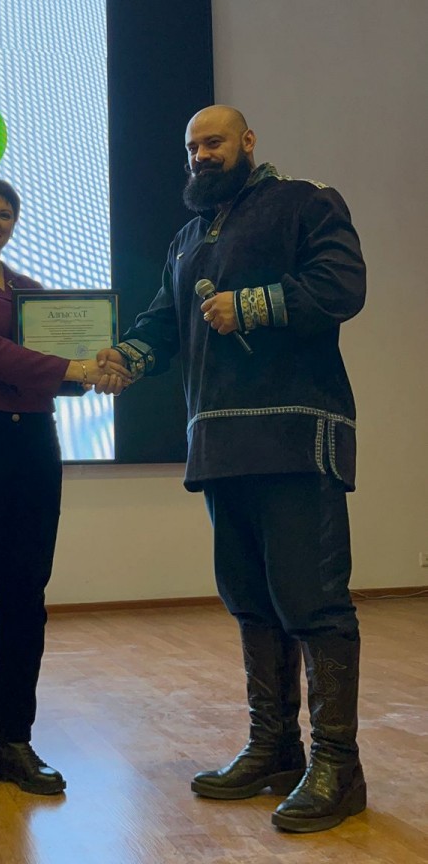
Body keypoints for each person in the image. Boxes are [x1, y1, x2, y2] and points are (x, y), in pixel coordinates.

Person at [96, 105, 367, 834]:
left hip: (294, 436)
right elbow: (163, 322)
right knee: (249, 600)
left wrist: (251, 306)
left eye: (213, 142)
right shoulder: (188, 238)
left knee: (312, 603)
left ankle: (338, 766)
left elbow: (342, 286)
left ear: (247, 142)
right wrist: (126, 358)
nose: (200, 155)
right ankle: (274, 748)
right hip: (218, 446)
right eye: (191, 147)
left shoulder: (304, 202)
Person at [0, 178, 129, 798]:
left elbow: (56, 371)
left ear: (15, 222)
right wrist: (73, 366)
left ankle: (14, 739)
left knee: (25, 593)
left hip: (32, 443)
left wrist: (99, 369)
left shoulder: (33, 293)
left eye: (5, 213)